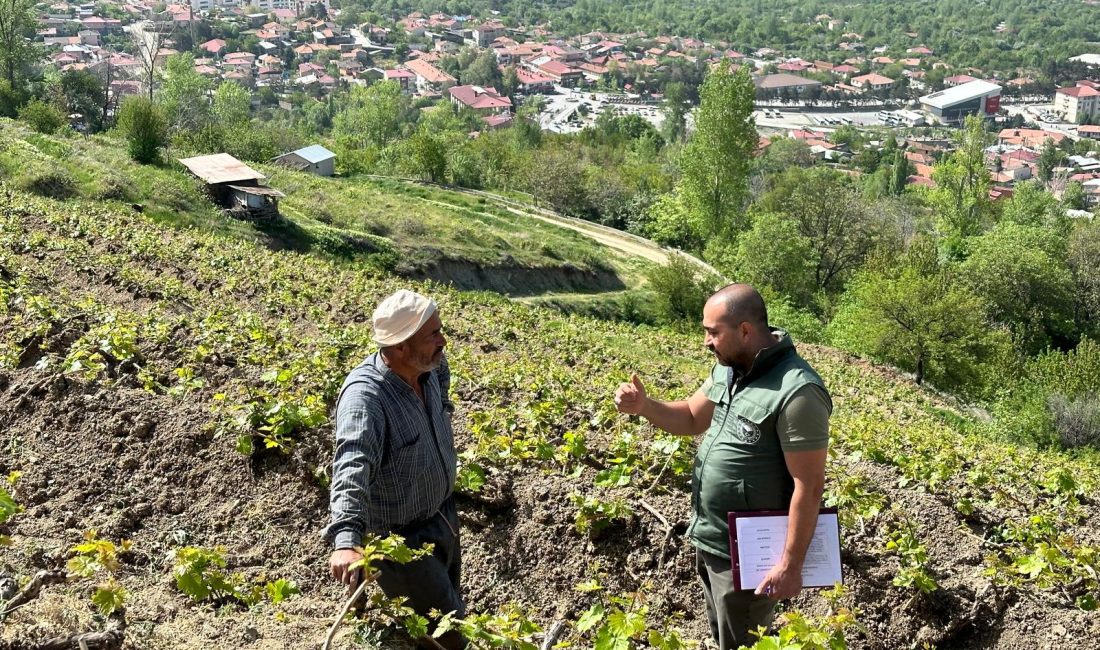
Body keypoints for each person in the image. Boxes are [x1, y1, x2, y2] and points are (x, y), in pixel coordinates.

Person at [614, 284, 831, 649]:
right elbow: (690, 418)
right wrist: (644, 406)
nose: (706, 341)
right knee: (723, 636)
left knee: (743, 641)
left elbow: (808, 487)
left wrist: (791, 566)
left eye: (713, 332)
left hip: (749, 557)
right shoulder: (730, 369)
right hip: (712, 538)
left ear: (745, 330)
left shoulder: (797, 392)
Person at [324, 289, 465, 649]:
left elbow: (443, 388)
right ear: (400, 346)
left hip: (443, 516)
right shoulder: (366, 399)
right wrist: (346, 541)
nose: (443, 341)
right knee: (449, 636)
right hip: (401, 544)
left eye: (439, 329)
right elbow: (352, 465)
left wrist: (442, 408)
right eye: (432, 334)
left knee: (448, 612)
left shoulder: (431, 366)